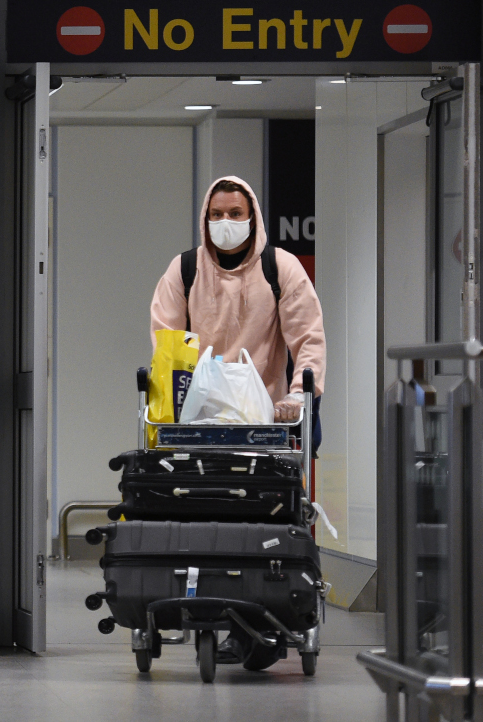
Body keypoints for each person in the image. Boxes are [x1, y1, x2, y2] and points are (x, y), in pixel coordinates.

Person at [149, 176, 327, 666]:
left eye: (236, 214)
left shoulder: (280, 267)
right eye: (218, 214)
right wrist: (170, 406)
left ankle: (260, 622)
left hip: (265, 415)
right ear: (205, 218)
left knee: (265, 517)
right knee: (207, 517)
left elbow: (307, 338)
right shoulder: (184, 270)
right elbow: (167, 343)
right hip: (200, 419)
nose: (226, 223)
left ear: (253, 218)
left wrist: (298, 394)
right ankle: (221, 613)